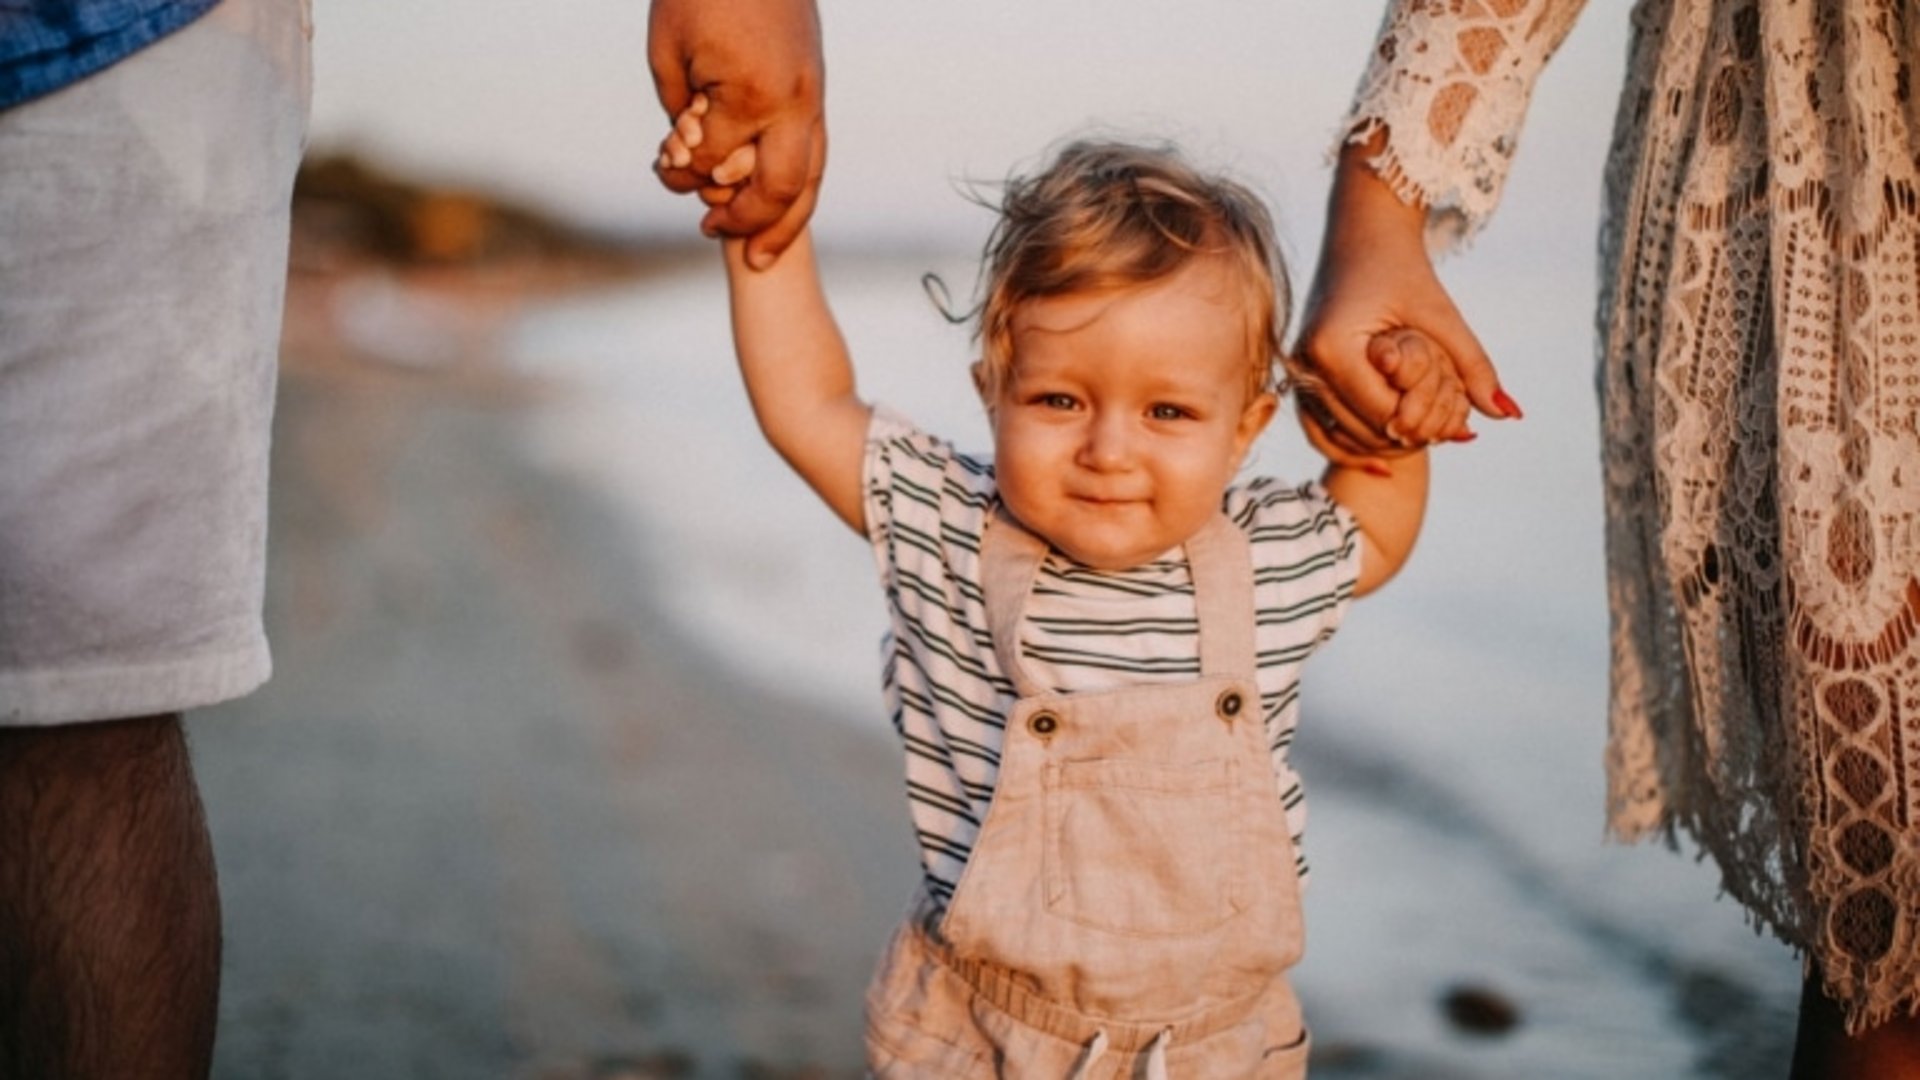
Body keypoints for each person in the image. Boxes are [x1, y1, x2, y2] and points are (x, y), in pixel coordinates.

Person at [0, 1, 824, 1075]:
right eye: (1058, 400)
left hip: (114, 37)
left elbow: (821, 410)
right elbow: (825, 408)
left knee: (78, 710)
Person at [664, 107, 1438, 1073]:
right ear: (995, 388)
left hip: (1219, 1048)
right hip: (986, 1039)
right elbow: (808, 402)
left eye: (1167, 410)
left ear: (1245, 430)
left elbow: (1376, 519)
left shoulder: (1268, 560)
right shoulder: (948, 530)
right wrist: (758, 233)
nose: (1109, 449)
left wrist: (1403, 404)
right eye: (1060, 400)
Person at [1293, 2, 1920, 1074]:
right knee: (1889, 934)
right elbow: (1354, 544)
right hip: (1842, 221)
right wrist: (1378, 212)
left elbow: (1351, 545)